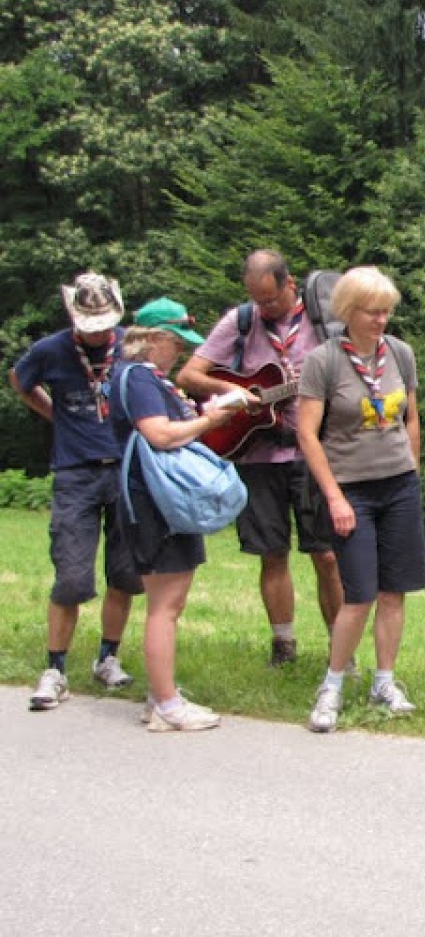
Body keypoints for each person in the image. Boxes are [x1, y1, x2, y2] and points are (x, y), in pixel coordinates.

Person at [177, 250, 342, 667]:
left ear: (290, 284)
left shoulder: (324, 317)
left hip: (313, 452)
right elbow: (188, 377)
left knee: (326, 554)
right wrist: (235, 393)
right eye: (257, 300)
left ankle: (341, 649)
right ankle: (282, 645)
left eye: (271, 300)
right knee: (272, 553)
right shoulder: (241, 320)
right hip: (258, 454)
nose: (264, 308)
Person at [297, 267, 425, 734]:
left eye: (387, 311)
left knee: (395, 591)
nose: (381, 320)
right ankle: (332, 684)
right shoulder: (324, 360)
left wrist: (412, 467)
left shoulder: (400, 354)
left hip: (399, 486)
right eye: (373, 312)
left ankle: (384, 681)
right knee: (360, 594)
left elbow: (410, 417)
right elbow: (308, 435)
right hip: (351, 489)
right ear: (349, 311)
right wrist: (334, 496)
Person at [10, 273, 143, 710]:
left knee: (125, 573)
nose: (98, 333)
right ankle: (55, 669)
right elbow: (20, 379)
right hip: (76, 474)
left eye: (104, 323)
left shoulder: (129, 344)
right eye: (90, 324)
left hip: (125, 470)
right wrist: (53, 415)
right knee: (71, 576)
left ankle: (108, 658)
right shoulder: (50, 350)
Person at [110, 298, 241, 731]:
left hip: (163, 503)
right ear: (151, 340)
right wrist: (212, 419)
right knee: (165, 606)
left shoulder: (146, 379)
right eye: (175, 342)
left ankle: (161, 694)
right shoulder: (140, 378)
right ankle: (166, 706)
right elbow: (161, 435)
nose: (181, 351)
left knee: (170, 601)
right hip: (155, 505)